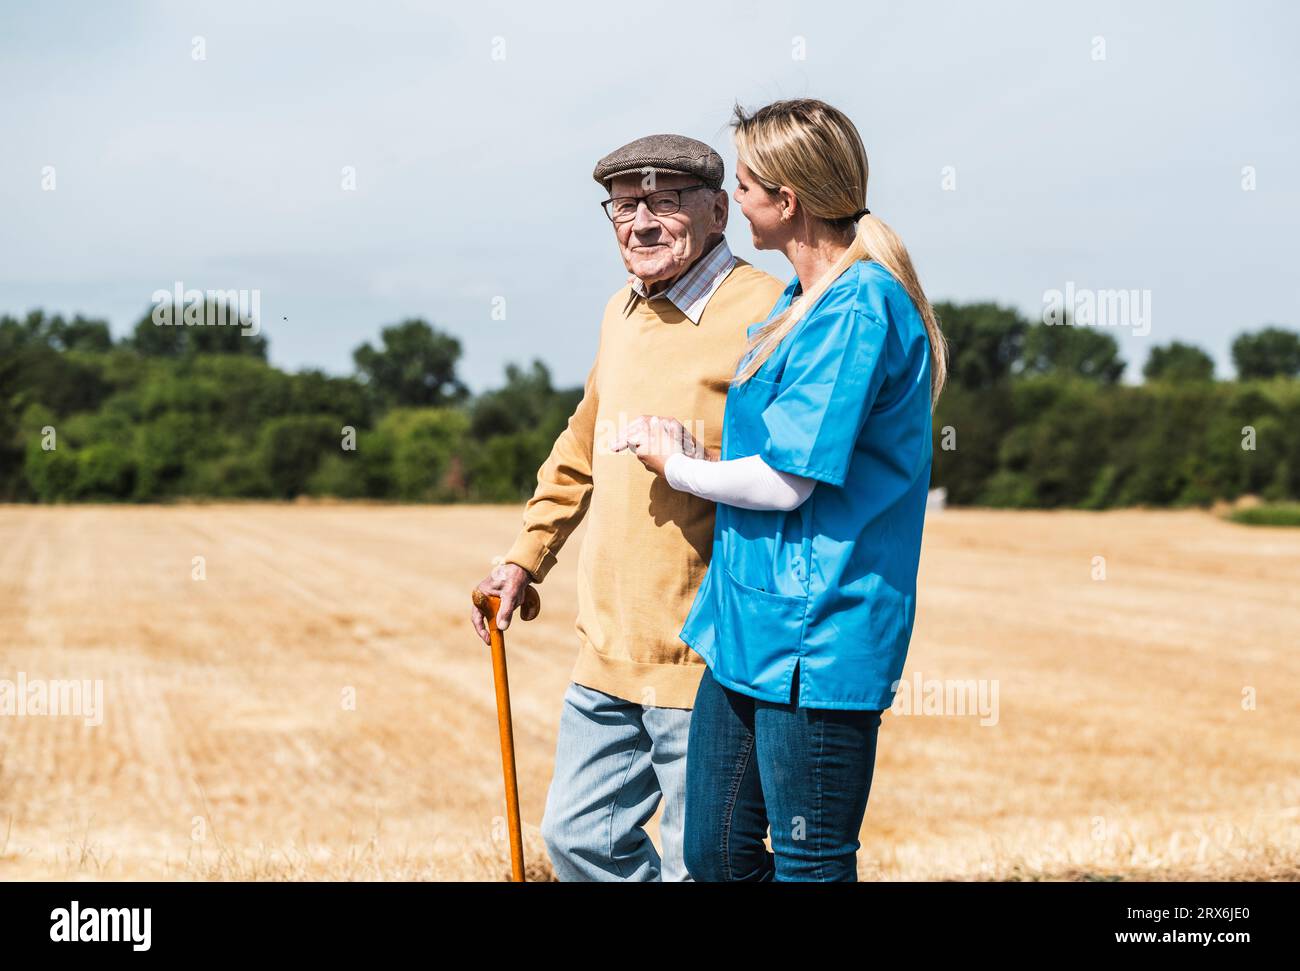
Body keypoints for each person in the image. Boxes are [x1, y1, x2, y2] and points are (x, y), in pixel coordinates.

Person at [615, 98, 949, 881]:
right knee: (715, 853)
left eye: (746, 182)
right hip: (746, 629)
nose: (736, 197)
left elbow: (787, 479)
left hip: (819, 635)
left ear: (786, 200)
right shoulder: (801, 304)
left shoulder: (860, 306)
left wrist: (675, 466)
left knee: (810, 861)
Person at [471, 133, 785, 881]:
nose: (641, 222)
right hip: (605, 648)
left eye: (665, 202)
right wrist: (525, 555)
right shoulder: (621, 311)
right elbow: (581, 444)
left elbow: (795, 468)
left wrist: (697, 460)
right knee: (577, 837)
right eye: (624, 205)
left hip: (701, 655)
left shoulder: (771, 310)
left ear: (718, 211)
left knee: (698, 863)